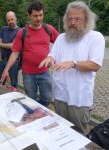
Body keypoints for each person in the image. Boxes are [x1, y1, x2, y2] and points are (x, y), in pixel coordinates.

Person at [39, 1, 105, 134]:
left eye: (77, 19)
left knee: (79, 133)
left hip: (79, 98)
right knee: (62, 129)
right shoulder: (61, 38)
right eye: (70, 19)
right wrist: (49, 59)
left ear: (86, 20)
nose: (73, 22)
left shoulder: (95, 37)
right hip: (60, 94)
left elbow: (95, 65)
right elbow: (53, 55)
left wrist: (73, 63)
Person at [0, 1, 59, 107]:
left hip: (44, 72)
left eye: (41, 15)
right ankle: (35, 115)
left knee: (47, 98)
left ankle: (37, 111)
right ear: (29, 15)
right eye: (35, 16)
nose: (39, 18)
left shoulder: (49, 29)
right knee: (31, 99)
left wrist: (55, 58)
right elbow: (15, 53)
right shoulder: (22, 32)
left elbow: (60, 44)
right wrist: (6, 69)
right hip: (28, 74)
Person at [0, 11, 21, 90]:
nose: (10, 21)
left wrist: (1, 44)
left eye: (12, 19)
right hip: (3, 61)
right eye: (8, 20)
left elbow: (13, 46)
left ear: (16, 19)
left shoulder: (19, 31)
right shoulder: (3, 29)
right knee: (0, 83)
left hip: (14, 63)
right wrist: (0, 59)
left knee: (13, 84)